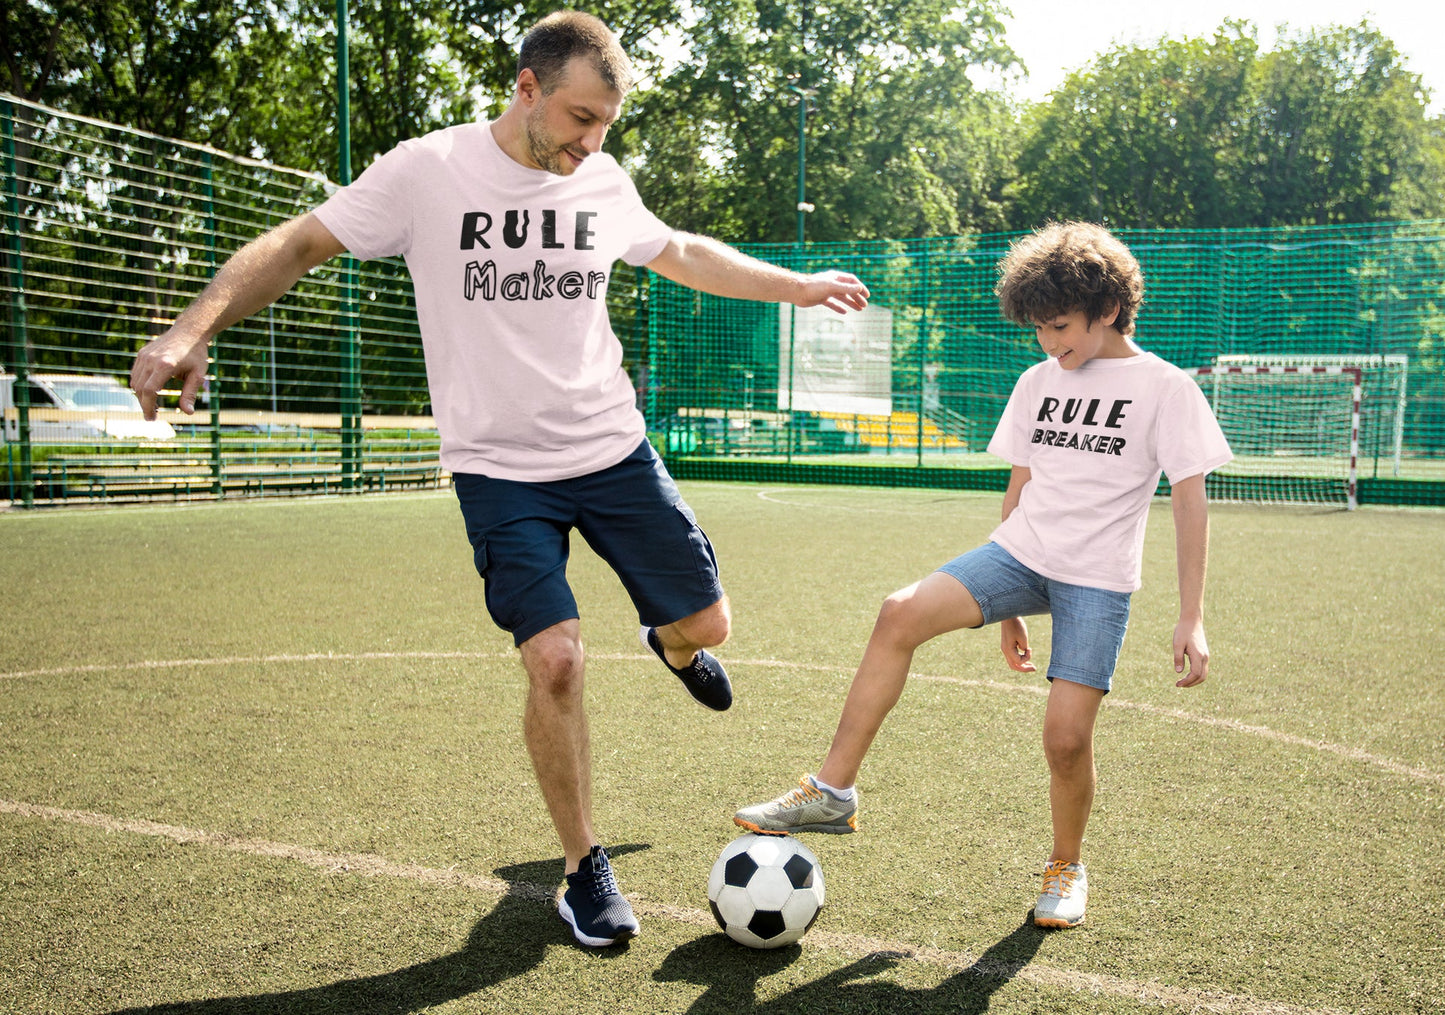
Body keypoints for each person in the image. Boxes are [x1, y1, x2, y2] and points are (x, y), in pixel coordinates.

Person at [129, 10, 870, 948]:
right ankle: (582, 867)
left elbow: (676, 250)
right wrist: (190, 330)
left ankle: (675, 647)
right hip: (499, 472)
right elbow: (297, 244)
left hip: (611, 448)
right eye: (576, 117)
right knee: (555, 658)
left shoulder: (600, 177)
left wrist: (794, 285)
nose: (589, 142)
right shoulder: (425, 171)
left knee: (708, 622)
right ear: (525, 88)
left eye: (604, 124)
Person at [734, 221, 1230, 929]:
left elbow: (1189, 500)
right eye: (1037, 328)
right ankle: (832, 790)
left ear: (1109, 309)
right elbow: (1019, 486)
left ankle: (1065, 865)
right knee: (898, 610)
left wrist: (1191, 614)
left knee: (1064, 736)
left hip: (1096, 578)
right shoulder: (1037, 381)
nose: (1048, 342)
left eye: (1058, 325)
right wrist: (1006, 607)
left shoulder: (1164, 387)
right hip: (1018, 555)